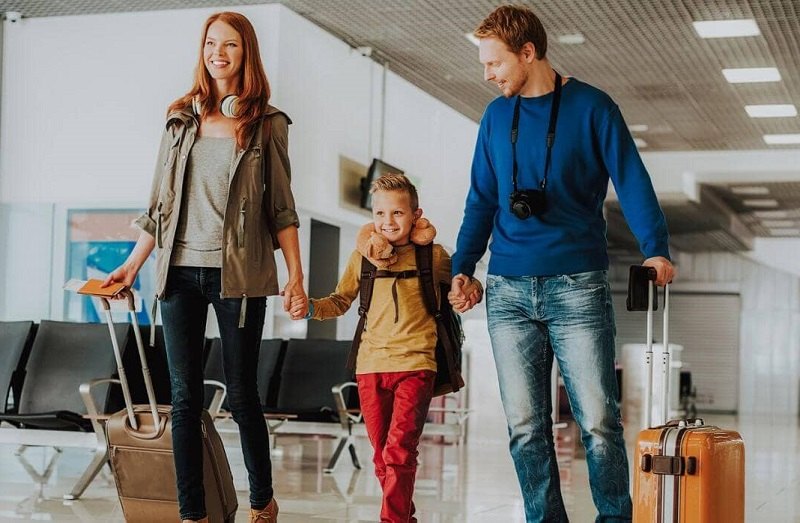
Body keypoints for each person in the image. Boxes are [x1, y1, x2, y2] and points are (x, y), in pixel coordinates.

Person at [449, 5, 675, 522]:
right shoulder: (494, 117)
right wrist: (464, 266)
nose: (487, 74)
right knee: (525, 425)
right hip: (507, 288)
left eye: (495, 63)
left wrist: (655, 247)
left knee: (598, 421)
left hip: (577, 284)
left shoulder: (593, 107)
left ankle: (615, 518)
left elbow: (632, 179)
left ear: (528, 53)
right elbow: (481, 199)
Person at [103, 12, 307, 523]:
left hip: (238, 276)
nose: (218, 53)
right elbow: (159, 208)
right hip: (177, 275)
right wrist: (130, 267)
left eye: (230, 45)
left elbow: (281, 208)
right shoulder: (179, 119)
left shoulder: (266, 124)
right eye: (211, 43)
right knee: (184, 399)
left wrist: (296, 276)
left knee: (241, 396)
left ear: (246, 53)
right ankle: (192, 514)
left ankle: (263, 503)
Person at [298, 174, 451, 523]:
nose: (388, 222)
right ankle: (403, 516)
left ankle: (392, 520)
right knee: (382, 455)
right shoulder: (361, 258)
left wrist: (468, 290)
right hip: (370, 366)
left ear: (416, 214)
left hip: (416, 363)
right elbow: (339, 301)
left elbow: (459, 291)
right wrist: (308, 307)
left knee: (400, 449)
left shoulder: (435, 257)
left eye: (397, 213)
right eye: (380, 214)